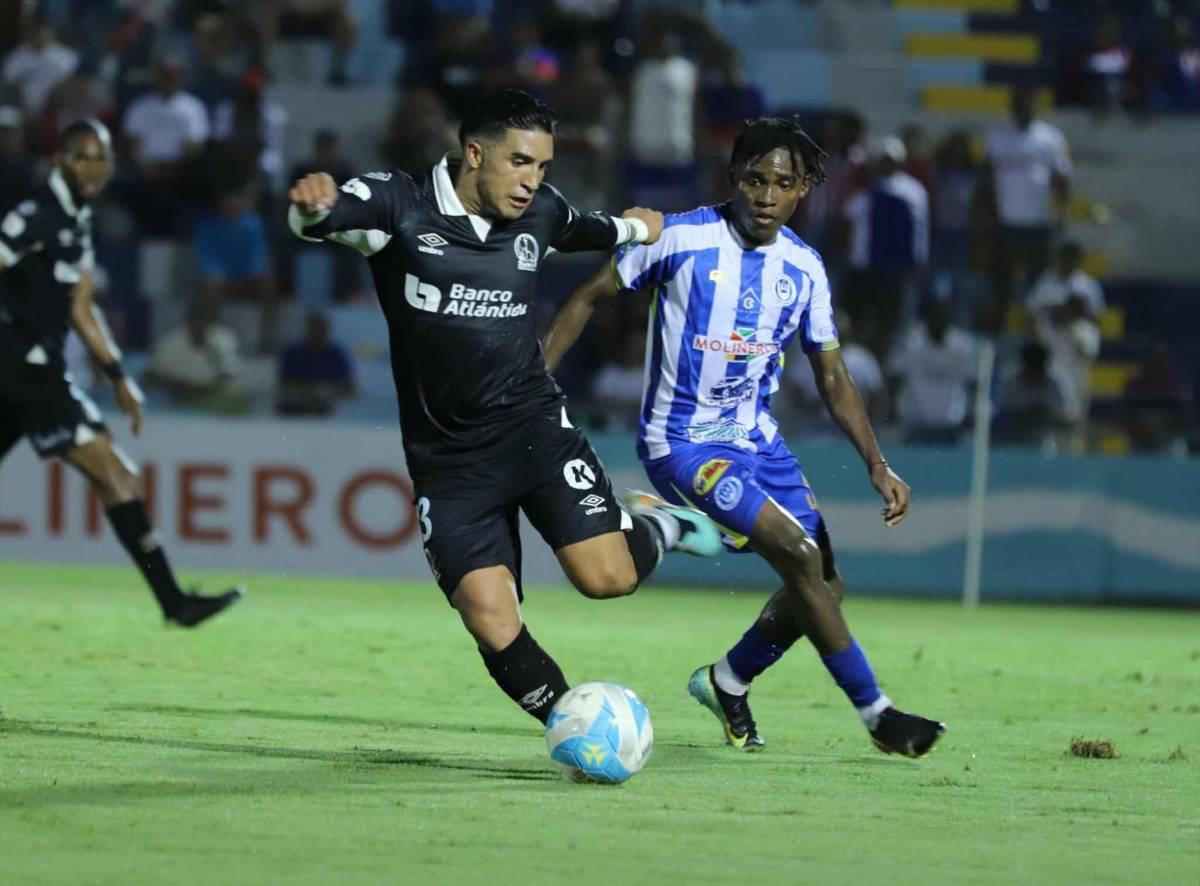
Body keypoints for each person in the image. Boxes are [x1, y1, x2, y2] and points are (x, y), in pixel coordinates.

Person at [287, 89, 723, 725]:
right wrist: (311, 207)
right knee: (490, 620)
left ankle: (660, 524)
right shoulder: (398, 206)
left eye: (543, 166)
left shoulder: (538, 214)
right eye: (520, 162)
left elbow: (588, 228)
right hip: (450, 462)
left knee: (608, 580)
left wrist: (637, 227)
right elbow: (325, 215)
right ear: (473, 153)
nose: (533, 182)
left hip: (533, 430)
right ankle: (571, 726)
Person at [543, 117, 945, 758]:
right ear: (733, 179)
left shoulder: (804, 269)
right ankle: (878, 716)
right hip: (681, 443)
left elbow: (832, 374)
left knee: (824, 586)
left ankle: (727, 680)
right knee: (799, 554)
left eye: (782, 184)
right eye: (755, 180)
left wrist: (876, 460)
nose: (765, 195)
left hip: (759, 444)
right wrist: (535, 383)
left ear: (803, 189)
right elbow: (588, 297)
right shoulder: (677, 238)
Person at [0, 119, 242, 626]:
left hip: (23, 374)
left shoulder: (76, 219)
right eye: (84, 156)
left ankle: (175, 602)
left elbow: (82, 309)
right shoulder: (36, 215)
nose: (94, 168)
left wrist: (117, 377)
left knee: (120, 479)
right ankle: (175, 602)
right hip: (25, 370)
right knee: (119, 477)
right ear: (61, 160)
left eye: (102, 158)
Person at [982, 86, 1071, 326]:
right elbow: (987, 179)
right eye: (1019, 107)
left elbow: (1061, 179)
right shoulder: (997, 136)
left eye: (1029, 106)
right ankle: (999, 325)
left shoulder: (1050, 139)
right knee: (1000, 281)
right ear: (1012, 110)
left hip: (1038, 224)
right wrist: (988, 216)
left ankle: (1033, 329)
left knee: (1037, 285)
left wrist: (1061, 211)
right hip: (1006, 223)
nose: (1024, 112)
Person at [276, 310, 355, 416]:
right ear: (307, 329)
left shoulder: (337, 354)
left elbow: (350, 387)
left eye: (322, 329)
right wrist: (308, 392)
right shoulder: (293, 353)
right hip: (295, 406)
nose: (318, 333)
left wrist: (328, 390)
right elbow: (283, 384)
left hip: (329, 406)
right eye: (314, 328)